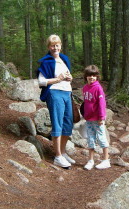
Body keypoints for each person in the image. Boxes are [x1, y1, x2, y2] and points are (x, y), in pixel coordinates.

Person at [37, 34, 75, 168]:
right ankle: (57, 156)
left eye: (57, 45)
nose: (55, 48)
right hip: (54, 93)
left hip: (66, 92)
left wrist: (69, 78)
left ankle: (63, 152)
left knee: (68, 123)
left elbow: (67, 75)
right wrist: (57, 79)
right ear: (49, 47)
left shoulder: (64, 59)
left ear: (60, 46)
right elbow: (41, 82)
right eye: (52, 45)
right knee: (57, 123)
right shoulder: (46, 61)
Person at [82, 65, 110, 170]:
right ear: (86, 76)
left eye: (94, 75)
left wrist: (102, 117)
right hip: (88, 119)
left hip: (98, 119)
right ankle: (90, 160)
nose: (92, 77)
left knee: (102, 138)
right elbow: (86, 103)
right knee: (90, 139)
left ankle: (106, 160)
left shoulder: (98, 88)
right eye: (89, 75)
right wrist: (84, 114)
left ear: (97, 76)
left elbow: (102, 103)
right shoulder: (85, 88)